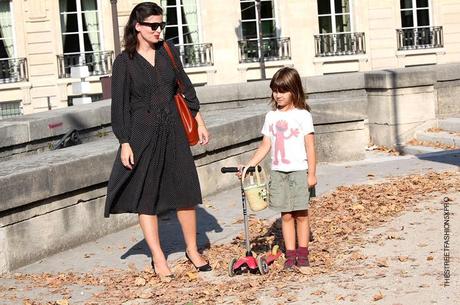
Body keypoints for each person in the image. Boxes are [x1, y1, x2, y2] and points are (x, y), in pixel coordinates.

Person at [104, 2, 211, 280]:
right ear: (138, 27)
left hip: (174, 130)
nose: (159, 30)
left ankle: (192, 249)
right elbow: (119, 108)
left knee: (186, 192)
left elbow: (184, 85)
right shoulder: (124, 62)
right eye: (153, 25)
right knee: (146, 197)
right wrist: (125, 141)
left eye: (161, 25)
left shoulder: (168, 51)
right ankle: (158, 257)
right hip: (142, 135)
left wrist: (198, 120)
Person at [243, 67, 316, 269]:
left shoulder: (303, 116)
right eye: (275, 90)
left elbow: (310, 146)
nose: (278, 95)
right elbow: (265, 145)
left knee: (301, 214)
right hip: (279, 171)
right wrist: (249, 165)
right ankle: (290, 254)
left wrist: (312, 174)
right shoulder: (271, 117)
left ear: (294, 90)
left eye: (282, 91)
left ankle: (303, 254)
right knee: (286, 215)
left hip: (299, 171)